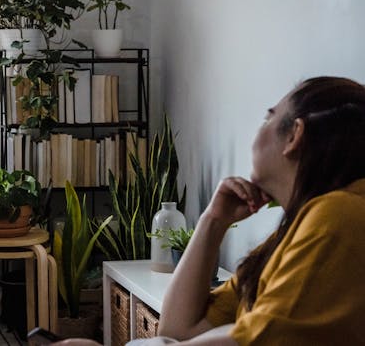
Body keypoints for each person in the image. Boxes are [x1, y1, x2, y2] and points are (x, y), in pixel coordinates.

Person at [146, 77, 365, 345]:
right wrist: (213, 220)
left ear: (294, 135)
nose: (259, 129)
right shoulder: (289, 235)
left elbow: (259, 339)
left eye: (268, 118)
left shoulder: (337, 215)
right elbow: (177, 331)